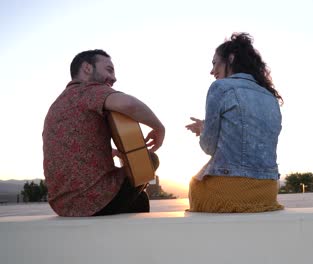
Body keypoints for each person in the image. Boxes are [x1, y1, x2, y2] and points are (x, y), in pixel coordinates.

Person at [43, 49, 165, 217]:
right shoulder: (89, 90)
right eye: (109, 70)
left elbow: (75, 146)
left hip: (62, 205)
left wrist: (113, 152)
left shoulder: (58, 104)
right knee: (149, 160)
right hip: (96, 200)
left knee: (138, 199)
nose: (114, 78)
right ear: (87, 68)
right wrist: (159, 128)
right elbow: (130, 105)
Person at [185, 33, 284, 213]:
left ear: (230, 58)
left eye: (214, 63)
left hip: (230, 191)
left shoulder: (220, 88)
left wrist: (203, 128)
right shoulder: (269, 96)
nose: (212, 70)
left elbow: (209, 147)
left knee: (194, 184)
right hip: (267, 191)